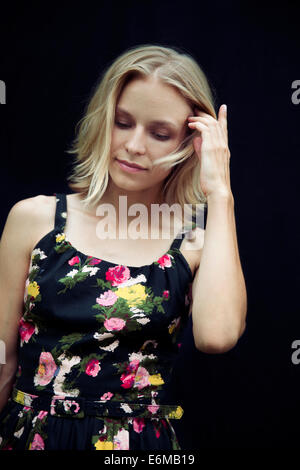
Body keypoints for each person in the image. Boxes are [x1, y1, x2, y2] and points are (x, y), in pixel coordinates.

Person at [0, 43, 247, 450]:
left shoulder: (196, 241)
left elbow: (217, 336)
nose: (134, 145)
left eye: (160, 133)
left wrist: (220, 191)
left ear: (190, 143)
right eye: (122, 122)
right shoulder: (35, 219)